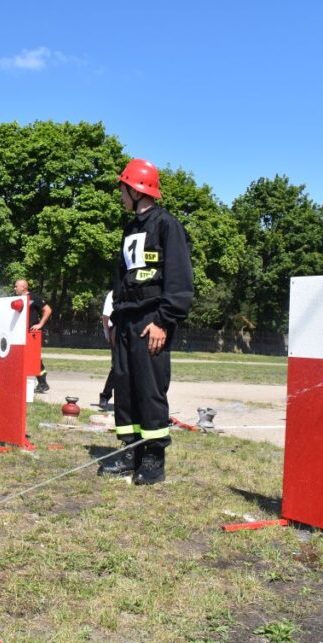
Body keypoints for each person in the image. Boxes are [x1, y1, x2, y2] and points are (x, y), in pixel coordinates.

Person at [104, 159, 193, 485]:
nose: (120, 195)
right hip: (126, 321)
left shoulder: (167, 225)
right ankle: (130, 452)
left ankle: (153, 458)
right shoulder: (130, 229)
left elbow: (180, 280)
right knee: (124, 388)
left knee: (149, 389)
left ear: (136, 189)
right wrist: (115, 318)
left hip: (151, 320)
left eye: (122, 189)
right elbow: (122, 277)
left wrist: (163, 321)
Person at [12, 279, 52, 393]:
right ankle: (19, 382)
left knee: (33, 358)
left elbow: (48, 310)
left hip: (31, 333)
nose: (14, 288)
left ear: (24, 287)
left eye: (16, 286)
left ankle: (43, 383)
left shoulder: (34, 297)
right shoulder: (17, 299)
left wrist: (40, 324)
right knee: (20, 357)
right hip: (20, 333)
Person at [97, 290, 115, 413]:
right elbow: (105, 316)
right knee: (118, 365)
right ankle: (105, 395)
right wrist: (106, 332)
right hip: (117, 328)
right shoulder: (113, 293)